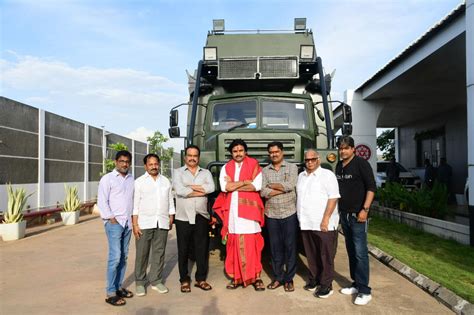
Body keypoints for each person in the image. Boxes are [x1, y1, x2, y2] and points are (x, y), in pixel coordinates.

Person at [213, 139, 266, 291]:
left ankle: (256, 277)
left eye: (241, 150)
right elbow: (225, 187)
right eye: (235, 151)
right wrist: (245, 181)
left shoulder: (254, 165)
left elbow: (257, 186)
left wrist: (234, 184)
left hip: (250, 213)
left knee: (253, 246)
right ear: (231, 153)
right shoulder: (226, 167)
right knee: (234, 245)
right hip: (233, 213)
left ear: (245, 152)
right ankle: (236, 278)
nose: (238, 153)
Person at [335, 136, 376, 306]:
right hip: (344, 215)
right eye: (340, 148)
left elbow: (371, 188)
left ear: (353, 149)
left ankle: (365, 290)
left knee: (360, 253)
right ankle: (356, 284)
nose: (343, 151)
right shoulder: (339, 165)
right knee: (351, 251)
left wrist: (365, 210)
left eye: (346, 148)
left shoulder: (361, 164)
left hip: (358, 216)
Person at [297, 149, 340, 298]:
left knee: (326, 255)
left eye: (312, 159)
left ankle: (326, 285)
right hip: (306, 222)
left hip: (323, 223)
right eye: (307, 160)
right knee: (311, 254)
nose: (310, 162)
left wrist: (326, 219)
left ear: (318, 159)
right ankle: (314, 279)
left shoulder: (327, 175)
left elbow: (333, 198)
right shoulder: (301, 176)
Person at [173, 145, 215, 293]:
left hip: (201, 216)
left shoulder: (206, 172)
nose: (192, 158)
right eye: (189, 155)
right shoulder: (177, 172)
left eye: (195, 155)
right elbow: (180, 190)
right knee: (183, 249)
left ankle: (201, 279)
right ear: (185, 157)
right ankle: (184, 280)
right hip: (183, 217)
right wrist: (199, 190)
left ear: (198, 157)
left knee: (202, 249)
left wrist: (189, 188)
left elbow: (211, 188)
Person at [132, 153, 175, 296]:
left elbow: (170, 200)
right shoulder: (139, 182)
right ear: (145, 166)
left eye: (156, 164)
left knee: (159, 252)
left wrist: (171, 216)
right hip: (144, 222)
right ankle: (140, 282)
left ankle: (156, 280)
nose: (154, 166)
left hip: (162, 221)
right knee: (142, 253)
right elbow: (135, 205)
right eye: (150, 164)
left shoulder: (165, 181)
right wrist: (135, 224)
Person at [98, 150, 135, 306]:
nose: (124, 164)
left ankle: (119, 287)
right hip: (114, 223)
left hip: (127, 223)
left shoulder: (132, 179)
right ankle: (110, 292)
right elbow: (102, 200)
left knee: (124, 256)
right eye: (121, 161)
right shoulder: (107, 179)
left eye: (127, 161)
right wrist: (110, 218)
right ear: (116, 162)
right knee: (115, 257)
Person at [260, 141, 298, 292]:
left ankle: (289, 279)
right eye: (271, 152)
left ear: (282, 152)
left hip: (289, 212)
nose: (273, 154)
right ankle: (278, 278)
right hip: (272, 214)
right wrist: (282, 188)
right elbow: (263, 191)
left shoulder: (292, 167)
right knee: (275, 248)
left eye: (276, 152)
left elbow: (291, 185)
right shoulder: (264, 171)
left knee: (290, 247)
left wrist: (272, 186)